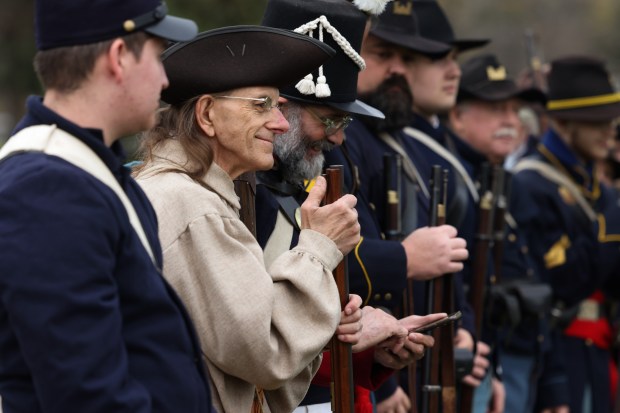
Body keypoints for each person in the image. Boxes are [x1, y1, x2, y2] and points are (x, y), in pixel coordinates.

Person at [0, 0, 217, 412]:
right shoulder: (48, 191)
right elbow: (88, 395)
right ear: (119, 57)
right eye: (157, 56)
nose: (165, 78)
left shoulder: (84, 170)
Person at [133, 26, 363, 413]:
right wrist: (318, 251)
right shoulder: (190, 204)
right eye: (261, 105)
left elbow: (242, 374)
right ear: (207, 114)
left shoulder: (191, 195)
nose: (281, 123)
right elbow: (264, 351)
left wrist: (322, 326)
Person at [258, 0, 452, 411]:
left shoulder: (294, 177)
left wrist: (368, 347)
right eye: (330, 120)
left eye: (344, 124)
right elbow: (250, 342)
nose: (338, 139)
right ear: (281, 108)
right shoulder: (242, 188)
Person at [331, 1, 479, 410]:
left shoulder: (390, 136)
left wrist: (461, 321)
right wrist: (404, 258)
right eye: (383, 54)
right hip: (366, 359)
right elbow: (333, 256)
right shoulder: (344, 138)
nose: (399, 68)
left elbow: (446, 252)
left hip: (399, 350)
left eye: (407, 58)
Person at [511, 55, 620, 413]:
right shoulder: (530, 184)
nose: (610, 131)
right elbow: (561, 282)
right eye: (597, 122)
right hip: (559, 351)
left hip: (601, 347)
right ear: (562, 122)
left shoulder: (599, 192)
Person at [447, 53, 554, 413]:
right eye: (495, 109)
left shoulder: (509, 184)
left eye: (514, 110)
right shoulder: (448, 179)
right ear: (457, 115)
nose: (510, 121)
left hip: (503, 360)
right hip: (460, 362)